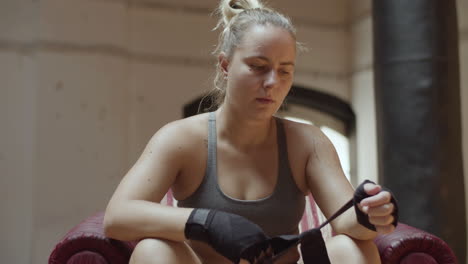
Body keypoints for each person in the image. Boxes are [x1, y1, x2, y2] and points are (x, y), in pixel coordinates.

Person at [103, 0, 397, 263]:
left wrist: (369, 215)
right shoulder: (182, 139)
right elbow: (118, 216)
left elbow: (346, 223)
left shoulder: (308, 142)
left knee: (354, 248)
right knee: (152, 250)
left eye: (284, 70)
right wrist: (206, 222)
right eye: (258, 66)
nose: (272, 82)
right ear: (225, 65)